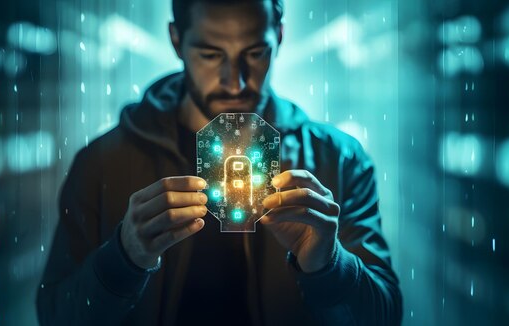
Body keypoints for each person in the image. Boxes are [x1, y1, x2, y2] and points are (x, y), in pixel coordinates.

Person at [36, 0, 402, 325]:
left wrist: (329, 264)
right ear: (176, 40)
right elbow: (54, 316)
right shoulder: (102, 163)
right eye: (210, 55)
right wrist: (123, 258)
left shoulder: (340, 160)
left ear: (281, 35)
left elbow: (385, 316)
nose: (235, 81)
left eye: (256, 52)